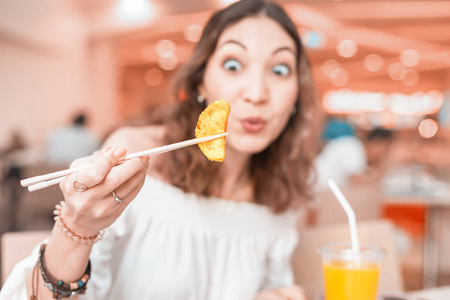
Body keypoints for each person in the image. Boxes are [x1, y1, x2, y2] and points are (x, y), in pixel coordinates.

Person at [0, 0, 321, 299]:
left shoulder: (284, 189)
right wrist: (75, 227)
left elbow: (269, 285)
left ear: (296, 95)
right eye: (234, 65)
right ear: (201, 82)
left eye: (279, 70)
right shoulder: (138, 154)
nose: (257, 93)